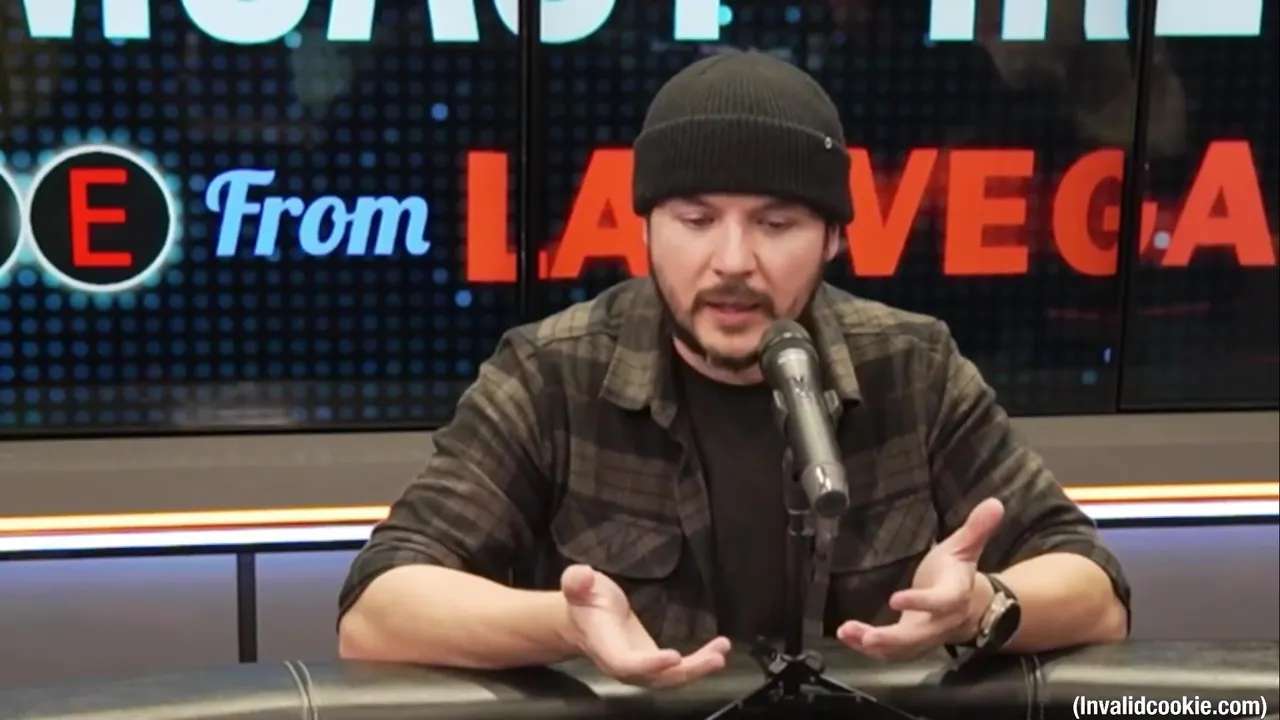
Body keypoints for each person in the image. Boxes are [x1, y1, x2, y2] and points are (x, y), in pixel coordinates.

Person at [336, 50, 1131, 689]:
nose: (732, 261)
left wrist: (983, 604)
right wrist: (563, 624)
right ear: (645, 227)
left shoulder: (913, 366)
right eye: (696, 219)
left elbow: (1096, 591)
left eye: (776, 224)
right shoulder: (552, 373)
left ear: (834, 238)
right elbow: (377, 610)